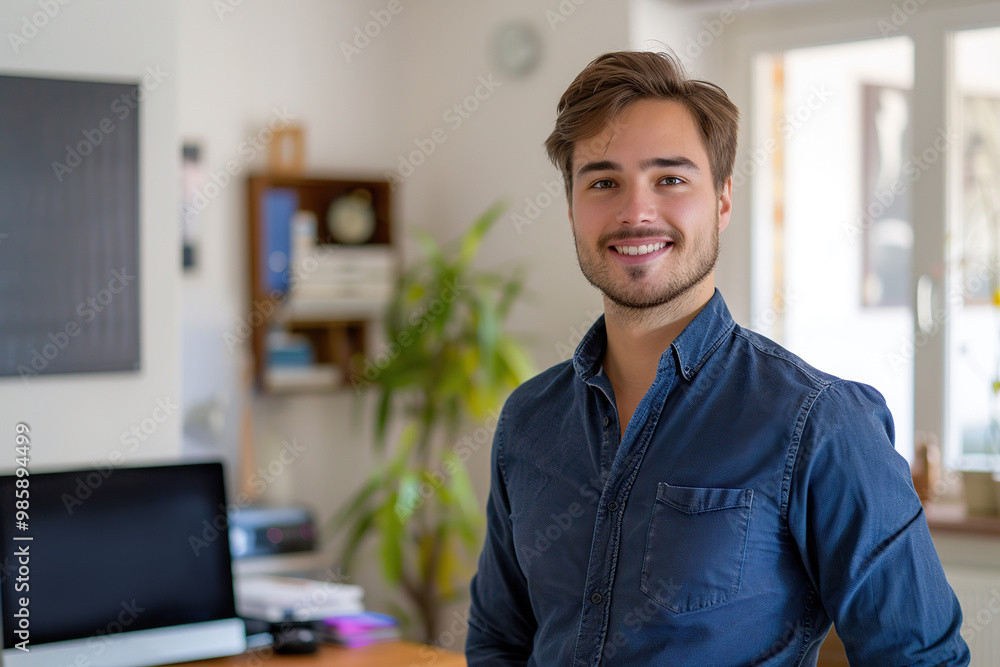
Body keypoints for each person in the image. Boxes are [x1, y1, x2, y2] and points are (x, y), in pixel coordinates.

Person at [465, 50, 969, 665]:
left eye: (670, 179)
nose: (635, 211)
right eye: (603, 182)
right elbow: (499, 642)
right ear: (571, 207)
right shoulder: (529, 419)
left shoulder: (820, 422)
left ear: (724, 200)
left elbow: (920, 659)